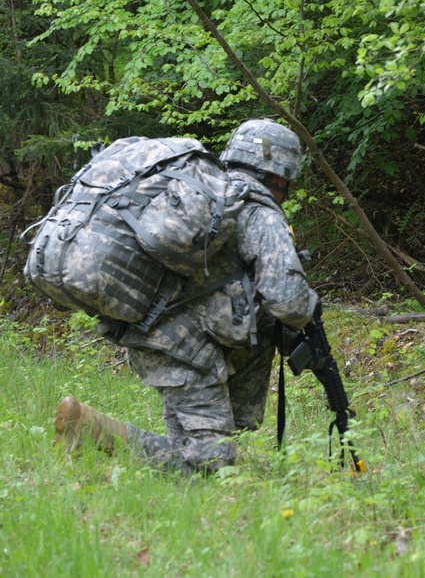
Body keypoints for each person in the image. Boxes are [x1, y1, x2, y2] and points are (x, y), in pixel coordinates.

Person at [52, 119, 318, 475]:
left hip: (156, 335)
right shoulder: (259, 213)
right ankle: (90, 429)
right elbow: (289, 301)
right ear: (282, 177)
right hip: (186, 351)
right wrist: (310, 312)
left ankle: (172, 484)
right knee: (210, 463)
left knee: (191, 456)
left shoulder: (211, 198)